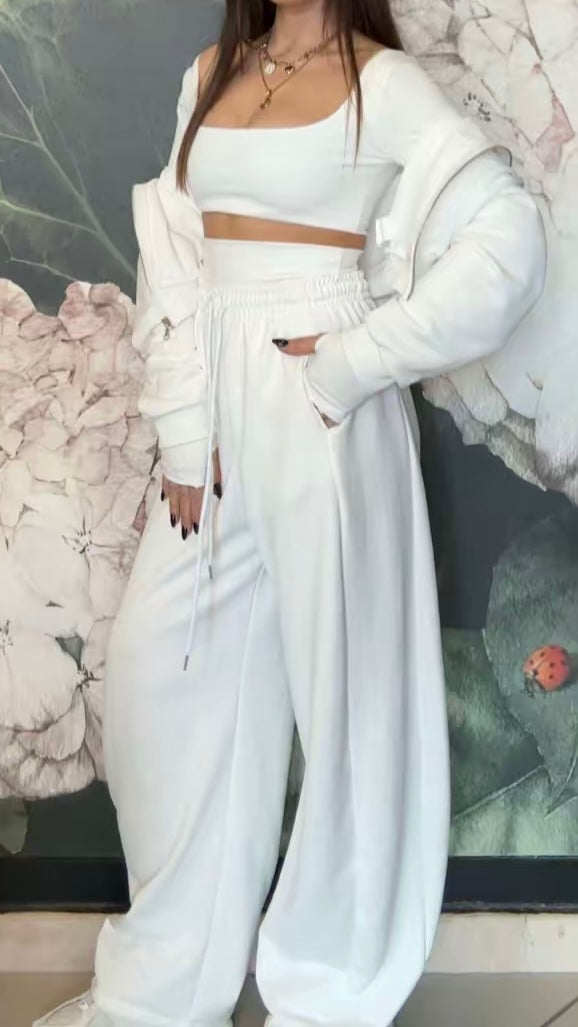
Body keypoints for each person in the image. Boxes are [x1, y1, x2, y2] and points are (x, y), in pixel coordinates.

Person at [33, 2, 546, 1026]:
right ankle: (165, 986)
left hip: (321, 403)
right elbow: (176, 252)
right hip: (214, 404)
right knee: (160, 677)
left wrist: (352, 363)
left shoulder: (382, 84)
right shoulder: (209, 73)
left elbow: (508, 245)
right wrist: (186, 426)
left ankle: (329, 993)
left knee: (350, 702)